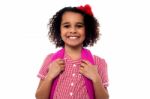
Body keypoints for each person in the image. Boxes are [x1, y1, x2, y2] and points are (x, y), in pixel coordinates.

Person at [35, 4, 109, 99]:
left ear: (87, 29)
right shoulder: (50, 60)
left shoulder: (98, 62)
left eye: (79, 26)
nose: (73, 30)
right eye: (67, 26)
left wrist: (96, 78)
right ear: (59, 30)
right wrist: (50, 76)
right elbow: (39, 97)